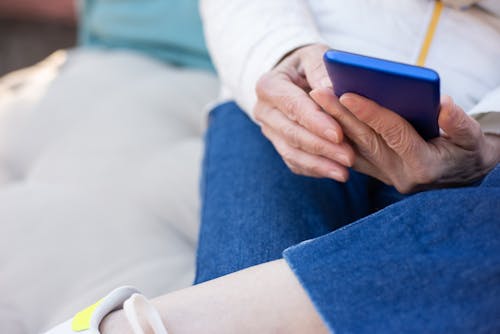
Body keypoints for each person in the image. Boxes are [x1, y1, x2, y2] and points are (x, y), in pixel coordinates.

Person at [46, 0, 500, 333]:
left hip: (470, 128)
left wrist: (491, 137)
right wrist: (280, 55)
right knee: (247, 261)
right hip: (291, 98)